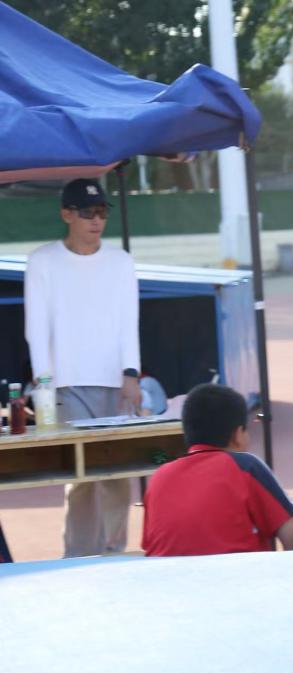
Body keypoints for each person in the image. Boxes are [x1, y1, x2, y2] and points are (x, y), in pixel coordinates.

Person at [24, 179, 140, 558]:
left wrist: (131, 373)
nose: (96, 220)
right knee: (81, 476)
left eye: (102, 212)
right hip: (64, 384)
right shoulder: (42, 261)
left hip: (114, 382)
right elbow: (36, 327)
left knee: (119, 474)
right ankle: (78, 555)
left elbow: (129, 320)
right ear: (66, 215)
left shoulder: (121, 262)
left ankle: (114, 551)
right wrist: (44, 385)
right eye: (88, 212)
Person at [142, 384, 293, 556]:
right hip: (236, 573)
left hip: (167, 573)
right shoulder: (246, 467)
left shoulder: (158, 477)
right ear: (238, 435)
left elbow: (151, 546)